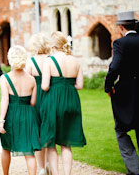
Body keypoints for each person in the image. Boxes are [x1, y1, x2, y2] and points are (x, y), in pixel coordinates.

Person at [105, 11, 139, 175]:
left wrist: (109, 86)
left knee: (121, 130)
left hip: (124, 93)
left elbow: (114, 67)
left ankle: (133, 169)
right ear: (135, 25)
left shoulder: (119, 43)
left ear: (121, 27)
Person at [40, 31, 85, 175]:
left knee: (51, 142)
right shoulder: (75, 60)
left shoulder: (49, 60)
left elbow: (45, 86)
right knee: (66, 143)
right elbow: (80, 85)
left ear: (53, 46)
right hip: (72, 100)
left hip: (54, 101)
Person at [0, 45, 41, 175]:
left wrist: (1, 121)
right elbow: (33, 102)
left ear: (10, 59)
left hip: (11, 115)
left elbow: (5, 100)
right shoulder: (32, 79)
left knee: (6, 148)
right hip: (28, 115)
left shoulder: (5, 78)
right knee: (29, 152)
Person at [24, 33, 52, 174]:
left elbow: (27, 82)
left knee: (38, 132)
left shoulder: (30, 62)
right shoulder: (52, 60)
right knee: (49, 130)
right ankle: (48, 163)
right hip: (50, 96)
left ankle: (41, 167)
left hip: (36, 98)